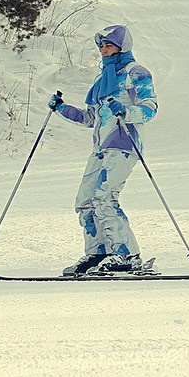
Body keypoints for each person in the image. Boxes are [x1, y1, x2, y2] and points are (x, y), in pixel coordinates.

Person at [47, 24, 157, 275]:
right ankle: (97, 253)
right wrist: (62, 108)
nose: (104, 50)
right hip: (100, 148)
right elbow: (90, 118)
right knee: (85, 201)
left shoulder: (136, 72)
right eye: (101, 46)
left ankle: (125, 254)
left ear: (122, 46)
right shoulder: (103, 78)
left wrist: (127, 111)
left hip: (124, 144)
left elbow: (150, 108)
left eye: (108, 45)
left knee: (105, 197)